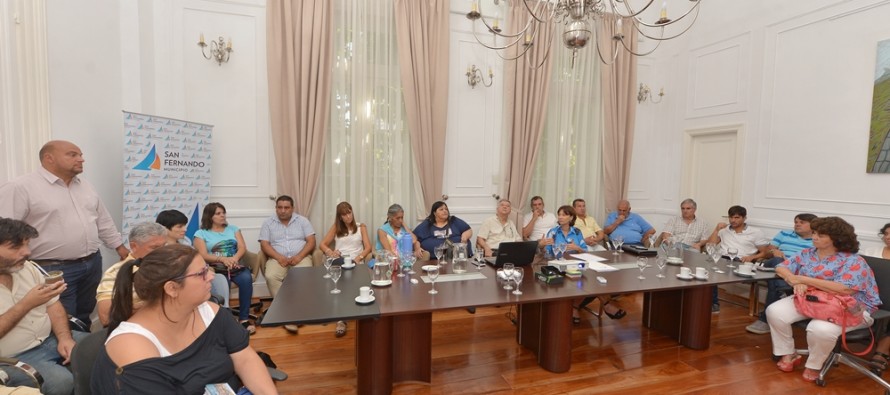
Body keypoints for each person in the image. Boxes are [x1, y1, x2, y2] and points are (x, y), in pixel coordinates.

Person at [90, 245, 277, 394]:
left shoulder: (209, 312)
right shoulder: (132, 346)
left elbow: (245, 360)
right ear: (172, 288)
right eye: (202, 273)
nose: (212, 276)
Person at [0, 140, 129, 327]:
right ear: (49, 158)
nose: (81, 159)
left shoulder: (85, 186)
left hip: (92, 263)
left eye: (81, 155)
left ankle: (80, 350)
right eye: (73, 154)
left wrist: (119, 247)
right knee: (62, 319)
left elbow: (103, 220)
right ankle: (65, 352)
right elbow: (5, 230)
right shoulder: (20, 187)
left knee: (84, 315)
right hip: (52, 269)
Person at [767, 216, 880, 383]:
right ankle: (788, 353)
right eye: (814, 233)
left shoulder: (854, 261)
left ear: (836, 239)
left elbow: (844, 288)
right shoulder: (807, 253)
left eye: (820, 235)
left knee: (819, 328)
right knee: (775, 311)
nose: (814, 237)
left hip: (850, 307)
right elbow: (781, 267)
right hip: (813, 300)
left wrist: (803, 280)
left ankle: (814, 365)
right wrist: (793, 280)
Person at [0, 219, 87, 395]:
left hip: (50, 339)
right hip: (12, 357)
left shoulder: (27, 268)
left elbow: (53, 304)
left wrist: (65, 337)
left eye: (27, 244)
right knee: (62, 382)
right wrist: (27, 304)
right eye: (16, 247)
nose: (27, 252)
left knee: (104, 346)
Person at [745, 213, 816, 335]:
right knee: (779, 263)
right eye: (796, 222)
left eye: (802, 222)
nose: (797, 224)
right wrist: (774, 251)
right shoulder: (784, 233)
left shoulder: (817, 241)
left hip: (796, 272)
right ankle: (783, 290)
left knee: (775, 282)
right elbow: (767, 253)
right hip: (774, 264)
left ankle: (766, 318)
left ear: (813, 225)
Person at [193, 202, 256, 335]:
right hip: (215, 268)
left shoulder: (233, 229)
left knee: (246, 279)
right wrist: (222, 259)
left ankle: (244, 318)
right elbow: (203, 255)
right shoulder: (201, 233)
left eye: (223, 213)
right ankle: (226, 321)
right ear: (210, 216)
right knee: (223, 285)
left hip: (235, 265)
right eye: (218, 213)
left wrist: (234, 259)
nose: (222, 216)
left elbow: (242, 247)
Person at [258, 195, 316, 329]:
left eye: (286, 207)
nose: (283, 210)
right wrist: (279, 257)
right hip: (277, 258)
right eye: (280, 207)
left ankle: (299, 312)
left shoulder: (302, 221)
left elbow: (311, 241)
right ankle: (284, 314)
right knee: (271, 276)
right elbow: (264, 245)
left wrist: (300, 256)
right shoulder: (268, 223)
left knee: (304, 275)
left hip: (300, 257)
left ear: (292, 208)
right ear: (276, 208)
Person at [95, 222, 168, 327]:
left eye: (164, 246)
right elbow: (106, 317)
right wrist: (156, 304)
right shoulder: (115, 273)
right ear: (134, 246)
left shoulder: (172, 264)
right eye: (154, 248)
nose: (162, 252)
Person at [318, 201, 372, 337]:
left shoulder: (361, 227)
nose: (348, 217)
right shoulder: (336, 227)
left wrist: (359, 258)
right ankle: (341, 319)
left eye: (349, 212)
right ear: (340, 217)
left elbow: (368, 248)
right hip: (340, 260)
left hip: (355, 260)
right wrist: (331, 252)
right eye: (344, 215)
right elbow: (322, 244)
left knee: (348, 270)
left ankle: (341, 318)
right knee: (341, 265)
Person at [156, 209, 231, 307]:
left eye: (184, 225)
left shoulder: (185, 242)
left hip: (196, 275)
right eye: (180, 226)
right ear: (165, 228)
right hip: (181, 280)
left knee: (219, 278)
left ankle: (223, 310)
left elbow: (198, 261)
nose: (185, 229)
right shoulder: (160, 248)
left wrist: (206, 268)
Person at [705, 205, 770, 313]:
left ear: (744, 218)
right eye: (731, 217)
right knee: (704, 269)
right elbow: (710, 246)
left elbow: (766, 253)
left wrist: (752, 257)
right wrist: (716, 230)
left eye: (736, 217)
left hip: (741, 261)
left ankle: (714, 304)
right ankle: (707, 302)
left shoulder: (755, 232)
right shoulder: (724, 230)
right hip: (722, 258)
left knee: (712, 272)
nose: (733, 220)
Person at [861, 222, 890, 371]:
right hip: (867, 294)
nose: (888, 237)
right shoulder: (870, 251)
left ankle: (882, 350)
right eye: (885, 234)